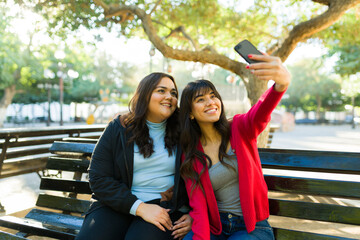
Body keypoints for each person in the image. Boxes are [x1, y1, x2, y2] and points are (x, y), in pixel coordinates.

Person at [179, 54, 291, 240]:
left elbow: (261, 111)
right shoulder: (191, 154)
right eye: (200, 100)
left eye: (213, 96)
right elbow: (198, 205)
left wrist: (280, 85)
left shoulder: (239, 127)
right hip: (217, 227)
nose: (210, 102)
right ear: (190, 113)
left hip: (251, 228)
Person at [77, 72, 192, 240]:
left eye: (173, 93)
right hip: (120, 203)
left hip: (164, 209)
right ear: (145, 94)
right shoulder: (119, 128)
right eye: (161, 91)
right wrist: (140, 207)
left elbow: (204, 174)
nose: (169, 97)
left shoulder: (186, 130)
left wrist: (194, 215)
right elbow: (98, 177)